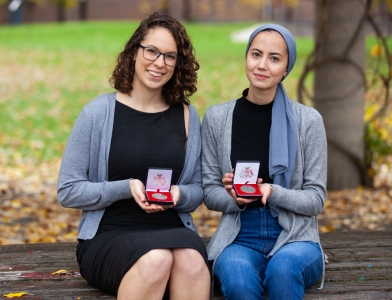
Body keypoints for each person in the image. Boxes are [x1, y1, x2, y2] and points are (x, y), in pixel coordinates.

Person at [57, 12, 210, 300]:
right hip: (110, 233)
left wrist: (178, 194)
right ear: (134, 51)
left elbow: (198, 190)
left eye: (170, 56)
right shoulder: (98, 113)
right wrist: (125, 187)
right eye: (151, 51)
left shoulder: (188, 116)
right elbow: (68, 191)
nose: (159, 63)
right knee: (156, 259)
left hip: (173, 229)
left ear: (179, 64)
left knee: (192, 261)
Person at [201, 24, 327, 300]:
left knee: (283, 269)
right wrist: (234, 198)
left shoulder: (308, 121)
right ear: (246, 58)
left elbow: (316, 199)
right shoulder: (217, 118)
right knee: (237, 279)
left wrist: (273, 191)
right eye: (256, 54)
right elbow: (209, 191)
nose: (262, 65)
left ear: (286, 68)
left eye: (274, 58)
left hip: (295, 236)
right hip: (239, 236)